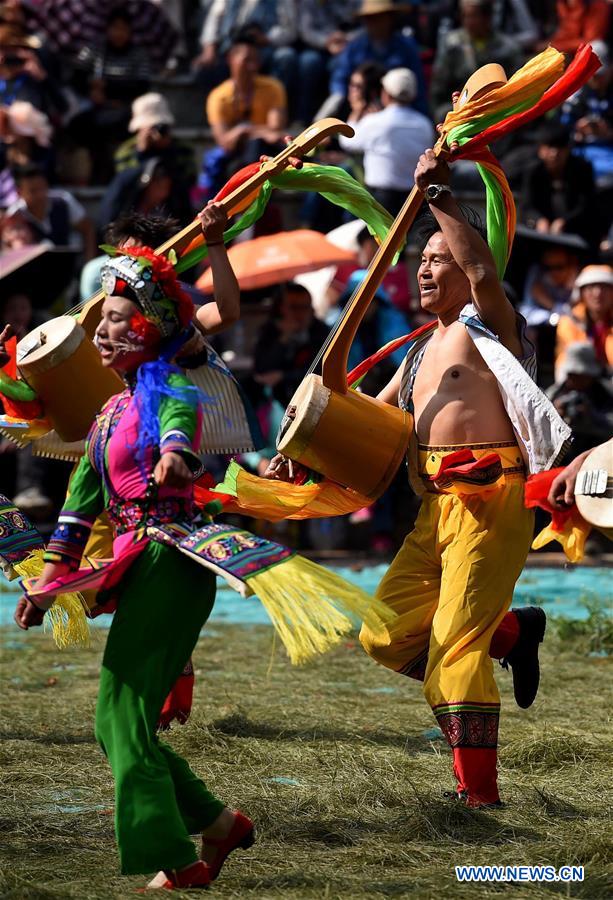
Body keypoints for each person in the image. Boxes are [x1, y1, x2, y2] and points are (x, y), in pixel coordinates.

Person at [12, 243, 256, 891]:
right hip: (135, 561)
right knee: (117, 722)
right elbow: (76, 513)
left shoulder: (166, 387)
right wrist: (45, 585)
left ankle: (176, 859)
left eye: (118, 318)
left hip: (172, 559)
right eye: (101, 320)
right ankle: (216, 820)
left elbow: (179, 423)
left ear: (148, 327)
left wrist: (176, 455)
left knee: (120, 717)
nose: (102, 330)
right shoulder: (104, 417)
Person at [358, 147, 572, 808]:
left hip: (491, 501)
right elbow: (371, 415)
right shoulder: (419, 347)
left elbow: (481, 267)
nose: (424, 269)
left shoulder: (492, 329)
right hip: (433, 511)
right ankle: (510, 633)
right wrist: (308, 432)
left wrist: (439, 197)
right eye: (419, 262)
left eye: (436, 260)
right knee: (383, 633)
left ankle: (478, 797)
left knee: (453, 651)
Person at [339, 67, 434, 216]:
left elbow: (347, 141)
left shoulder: (375, 121)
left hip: (380, 200)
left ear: (386, 93)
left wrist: (356, 111)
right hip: (414, 200)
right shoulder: (425, 124)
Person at [204, 29, 287, 190]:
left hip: (266, 155)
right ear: (230, 59)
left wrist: (242, 132)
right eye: (246, 60)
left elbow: (276, 131)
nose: (252, 66)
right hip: (236, 156)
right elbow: (224, 141)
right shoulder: (218, 96)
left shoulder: (273, 87)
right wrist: (249, 130)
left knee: (257, 145)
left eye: (255, 60)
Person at [326, 0, 429, 118]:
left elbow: (418, 86)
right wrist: (339, 100)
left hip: (398, 110)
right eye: (369, 18)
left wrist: (422, 117)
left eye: (379, 17)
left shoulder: (407, 47)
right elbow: (340, 79)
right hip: (359, 110)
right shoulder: (355, 47)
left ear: (390, 18)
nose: (373, 23)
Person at [430, 0, 523, 124]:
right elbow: (438, 87)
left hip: (497, 113)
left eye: (473, 16)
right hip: (460, 115)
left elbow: (517, 86)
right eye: (465, 16)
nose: (468, 21)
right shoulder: (452, 44)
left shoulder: (508, 48)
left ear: (487, 17)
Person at [253, 281, 330, 409]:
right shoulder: (270, 331)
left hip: (311, 401)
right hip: (275, 402)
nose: (299, 314)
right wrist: (283, 339)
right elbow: (261, 368)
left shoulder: (321, 332)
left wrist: (283, 376)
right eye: (294, 307)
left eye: (304, 307)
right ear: (281, 308)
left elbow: (321, 371)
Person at [520, 121, 598, 246]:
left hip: (576, 234)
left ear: (568, 149)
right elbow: (527, 206)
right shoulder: (533, 171)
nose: (554, 153)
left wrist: (565, 221)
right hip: (540, 235)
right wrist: (539, 220)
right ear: (541, 149)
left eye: (559, 147)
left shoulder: (582, 169)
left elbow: (587, 205)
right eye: (550, 147)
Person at [6, 162, 96, 258]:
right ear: (19, 193)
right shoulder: (14, 215)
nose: (40, 195)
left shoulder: (63, 201)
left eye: (43, 188)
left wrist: (88, 261)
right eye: (33, 191)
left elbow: (87, 229)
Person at [113, 92, 196, 185]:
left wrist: (168, 151)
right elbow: (124, 183)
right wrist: (141, 153)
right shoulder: (126, 151)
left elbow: (189, 180)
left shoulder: (183, 149)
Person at [547, 341, 613, 455]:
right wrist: (553, 416)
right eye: (572, 375)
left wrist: (593, 417)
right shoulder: (555, 393)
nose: (575, 380)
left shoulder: (605, 393)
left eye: (581, 375)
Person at [555, 264, 613, 375]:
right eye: (591, 287)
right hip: (580, 381)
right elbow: (565, 363)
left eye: (604, 287)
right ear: (581, 293)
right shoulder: (569, 322)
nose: (598, 293)